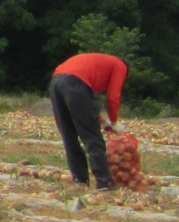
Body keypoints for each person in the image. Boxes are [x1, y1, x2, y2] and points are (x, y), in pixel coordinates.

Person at [50, 52, 129, 192]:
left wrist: (102, 121)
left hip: (56, 82)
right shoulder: (120, 66)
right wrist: (114, 121)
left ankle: (79, 179)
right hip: (75, 83)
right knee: (92, 137)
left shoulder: (98, 63)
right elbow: (113, 96)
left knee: (69, 135)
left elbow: (87, 104)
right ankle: (104, 182)